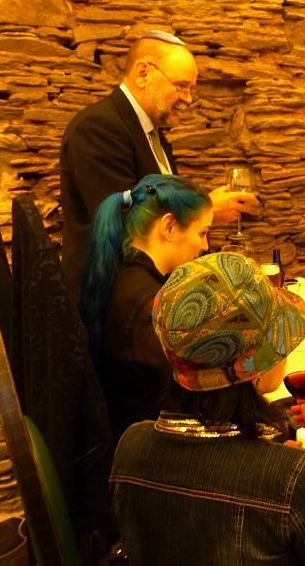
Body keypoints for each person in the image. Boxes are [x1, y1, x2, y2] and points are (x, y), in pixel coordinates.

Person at [110, 253, 305, 565]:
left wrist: (272, 460)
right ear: (251, 368)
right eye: (279, 338)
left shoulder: (129, 447)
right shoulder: (295, 479)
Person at [60, 29, 257, 301]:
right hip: (112, 302)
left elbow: (158, 203)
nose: (188, 98)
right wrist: (206, 208)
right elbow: (127, 223)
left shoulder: (153, 133)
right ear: (143, 74)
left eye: (190, 88)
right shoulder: (97, 128)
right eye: (181, 86)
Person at [81, 173, 213, 442]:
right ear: (169, 227)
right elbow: (200, 389)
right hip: (147, 450)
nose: (205, 245)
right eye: (202, 233)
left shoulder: (120, 272)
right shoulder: (147, 306)